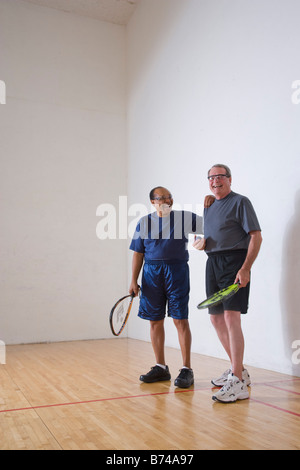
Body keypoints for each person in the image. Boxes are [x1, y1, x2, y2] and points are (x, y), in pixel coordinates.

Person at [129, 186, 210, 389]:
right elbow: (138, 253)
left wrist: (202, 236)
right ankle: (161, 367)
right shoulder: (144, 222)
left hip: (177, 272)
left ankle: (186, 369)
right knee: (154, 322)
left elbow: (208, 226)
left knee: (180, 320)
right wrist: (133, 280)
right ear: (153, 202)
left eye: (169, 197)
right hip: (151, 274)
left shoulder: (185, 218)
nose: (167, 200)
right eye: (161, 198)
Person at [193, 164, 262, 403]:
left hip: (234, 263)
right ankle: (238, 370)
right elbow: (211, 234)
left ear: (230, 179)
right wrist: (201, 242)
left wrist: (245, 268)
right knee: (215, 317)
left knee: (232, 317)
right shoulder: (209, 205)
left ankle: (237, 381)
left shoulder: (241, 202)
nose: (215, 181)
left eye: (220, 176)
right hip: (213, 263)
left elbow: (256, 236)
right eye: (211, 178)